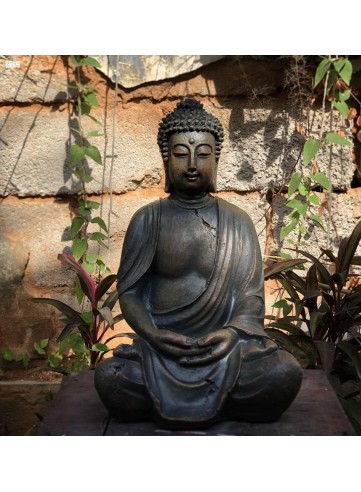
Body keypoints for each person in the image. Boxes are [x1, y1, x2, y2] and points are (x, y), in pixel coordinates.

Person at [95, 99, 302, 429]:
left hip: (225, 352)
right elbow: (130, 292)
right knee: (111, 377)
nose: (192, 164)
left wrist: (231, 334)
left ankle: (214, 393)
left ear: (216, 159)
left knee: (284, 372)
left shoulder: (238, 222)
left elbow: (250, 298)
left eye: (203, 154)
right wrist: (151, 333)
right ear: (166, 159)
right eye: (181, 154)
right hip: (160, 351)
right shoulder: (148, 220)